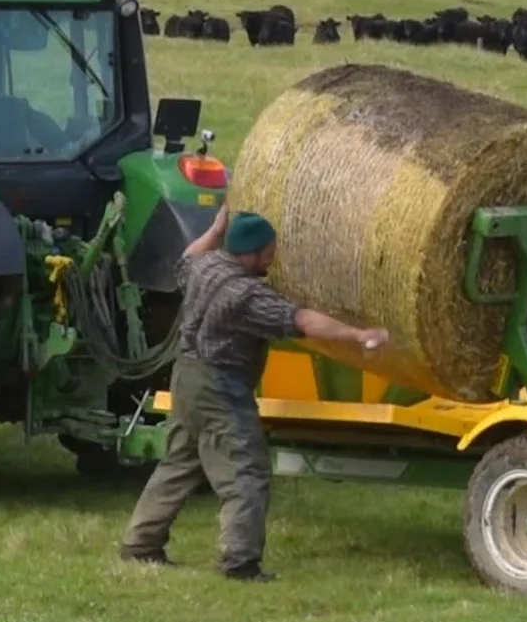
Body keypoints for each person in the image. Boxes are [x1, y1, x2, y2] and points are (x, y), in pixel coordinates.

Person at [118, 205, 389, 581]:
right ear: (253, 253)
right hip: (218, 386)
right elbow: (303, 321)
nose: (273, 258)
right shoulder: (245, 295)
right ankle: (240, 562)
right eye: (269, 252)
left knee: (180, 462)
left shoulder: (206, 267)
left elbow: (187, 257)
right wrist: (360, 335)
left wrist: (214, 230)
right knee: (245, 469)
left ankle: (140, 544)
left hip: (185, 376)